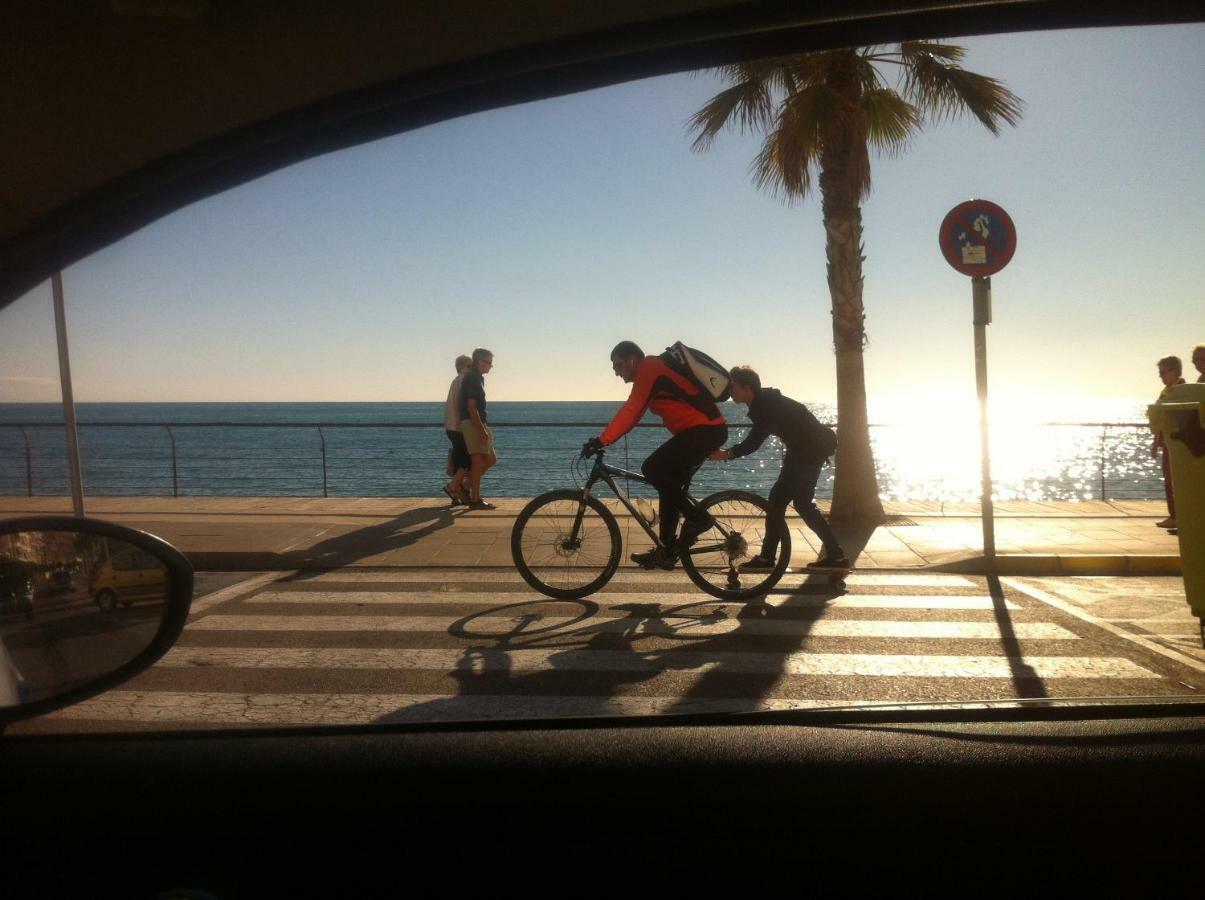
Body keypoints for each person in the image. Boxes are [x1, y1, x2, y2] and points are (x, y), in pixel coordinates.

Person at [586, 341, 727, 570]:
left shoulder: (649, 368)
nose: (616, 372)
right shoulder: (649, 372)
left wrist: (601, 441)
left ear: (632, 359)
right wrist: (605, 439)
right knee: (668, 487)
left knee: (652, 468)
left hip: (704, 431)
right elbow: (635, 412)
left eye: (618, 365)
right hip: (703, 432)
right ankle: (668, 549)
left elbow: (632, 409)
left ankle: (698, 519)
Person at [710, 366, 847, 570]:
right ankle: (835, 555)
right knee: (802, 504)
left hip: (807, 451)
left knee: (777, 501)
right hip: (808, 450)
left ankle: (767, 559)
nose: (730, 391)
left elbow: (754, 441)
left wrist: (727, 454)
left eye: (733, 387)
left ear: (747, 389)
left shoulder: (765, 406)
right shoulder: (765, 402)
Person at [459, 348, 497, 510]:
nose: (490, 366)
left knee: (490, 459)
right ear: (478, 361)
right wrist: (481, 430)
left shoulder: (477, 378)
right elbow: (471, 407)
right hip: (473, 423)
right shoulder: (473, 378)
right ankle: (475, 499)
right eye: (488, 362)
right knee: (478, 461)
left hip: (477, 422)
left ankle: (466, 485)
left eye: (491, 363)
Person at [1152, 355, 1186, 530]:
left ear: (1174, 372)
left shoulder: (1182, 390)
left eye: (1163, 372)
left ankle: (1179, 515)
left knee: (1176, 480)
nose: (1161, 376)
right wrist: (1155, 442)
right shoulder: (1166, 392)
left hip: (1177, 442)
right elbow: (1159, 418)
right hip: (1167, 441)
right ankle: (1174, 514)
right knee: (1168, 479)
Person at [442, 355, 473, 505]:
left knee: (463, 459)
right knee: (466, 460)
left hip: (452, 427)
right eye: (469, 366)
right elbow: (462, 406)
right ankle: (453, 487)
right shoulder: (462, 381)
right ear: (461, 368)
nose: (471, 369)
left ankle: (458, 487)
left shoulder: (456, 381)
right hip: (459, 427)